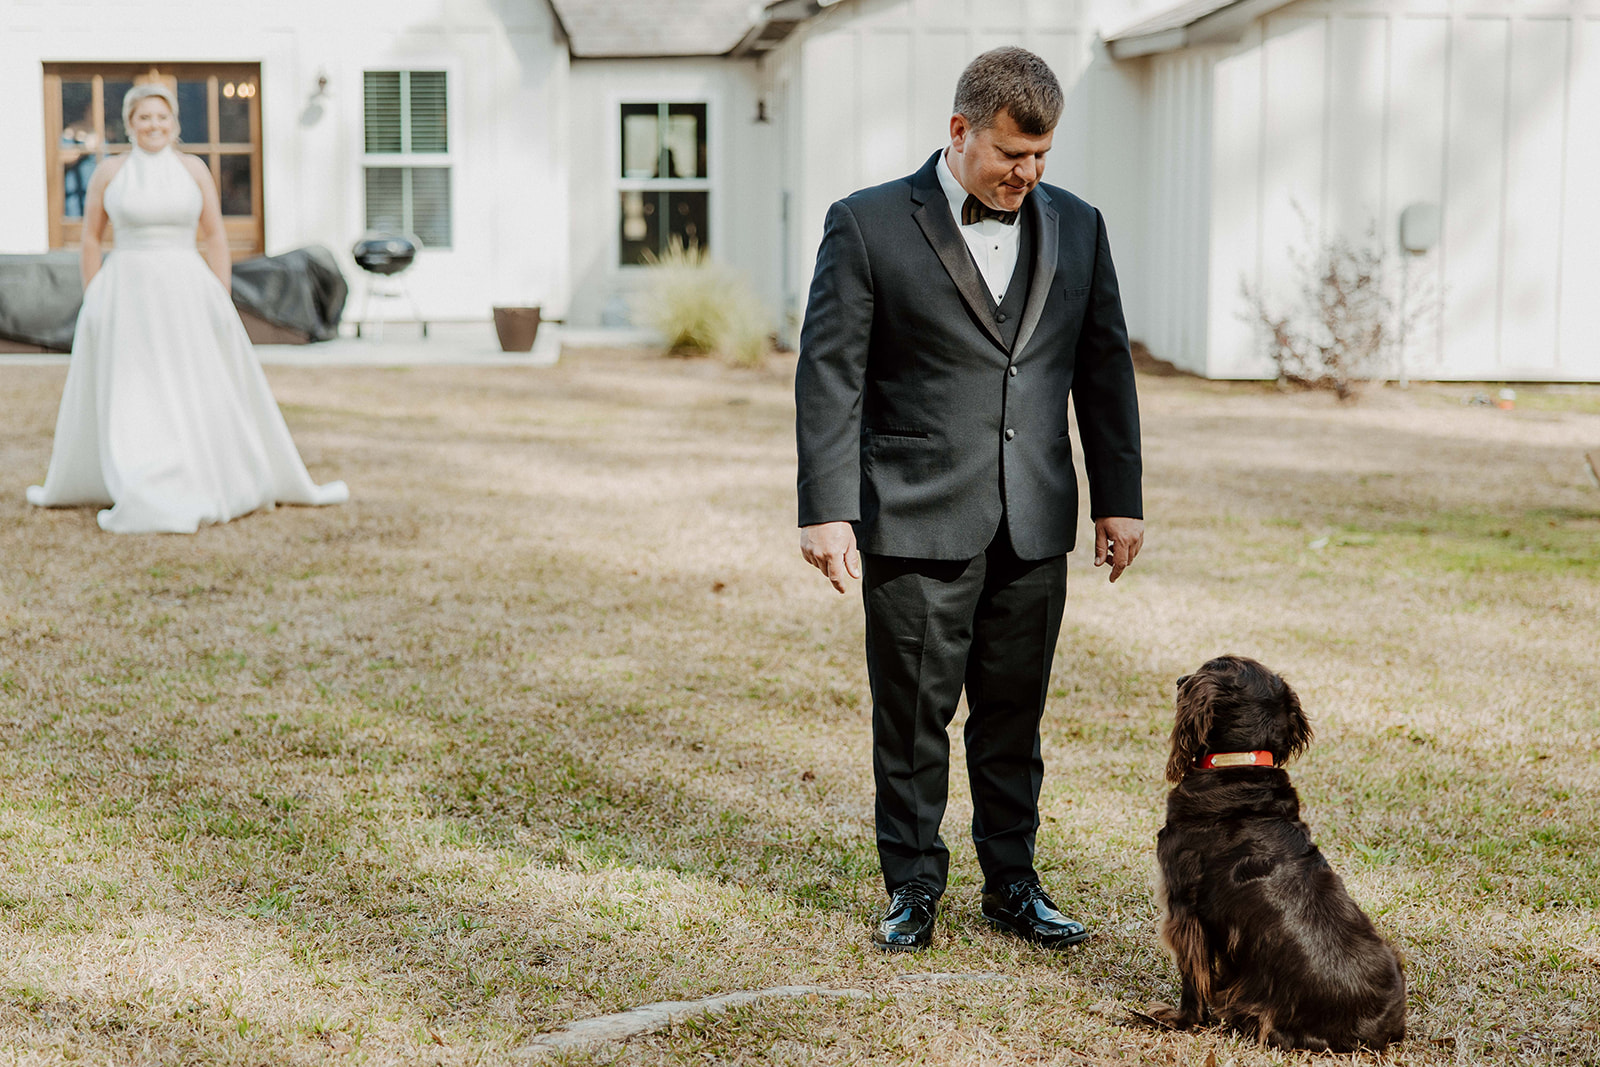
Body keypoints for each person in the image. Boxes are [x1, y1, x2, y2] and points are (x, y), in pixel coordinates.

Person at [795, 47, 1144, 952]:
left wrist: (1120, 497)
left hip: (1034, 516)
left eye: (1041, 158)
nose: (1026, 175)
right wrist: (826, 507)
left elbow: (1102, 367)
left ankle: (1014, 884)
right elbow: (830, 373)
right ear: (959, 133)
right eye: (1009, 155)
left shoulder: (1080, 224)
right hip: (914, 511)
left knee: (1013, 714)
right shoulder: (867, 223)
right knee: (912, 716)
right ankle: (912, 885)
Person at [27, 84, 347, 534]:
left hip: (186, 289)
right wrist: (94, 293)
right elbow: (91, 239)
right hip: (127, 291)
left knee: (189, 379)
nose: (153, 126)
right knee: (136, 384)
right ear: (129, 124)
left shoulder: (193, 169)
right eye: (144, 118)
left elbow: (214, 235)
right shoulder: (109, 173)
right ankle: (138, 468)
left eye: (162, 118)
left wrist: (219, 294)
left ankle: (199, 466)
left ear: (174, 124)